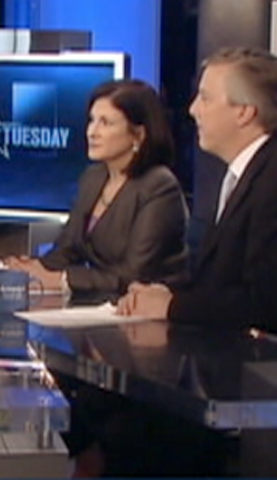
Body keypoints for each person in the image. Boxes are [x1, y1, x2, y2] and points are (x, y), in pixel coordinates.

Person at [118, 47, 277, 333]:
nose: (192, 110)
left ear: (244, 112)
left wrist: (172, 306)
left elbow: (264, 302)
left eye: (205, 98)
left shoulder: (271, 179)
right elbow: (220, 282)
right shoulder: (245, 173)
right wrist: (165, 293)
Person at [6, 79, 188, 297]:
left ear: (138, 135)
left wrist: (62, 280)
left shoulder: (159, 186)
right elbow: (67, 250)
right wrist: (31, 268)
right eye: (92, 120)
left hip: (142, 308)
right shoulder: (93, 177)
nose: (92, 132)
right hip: (99, 302)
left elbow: (134, 274)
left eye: (106, 123)